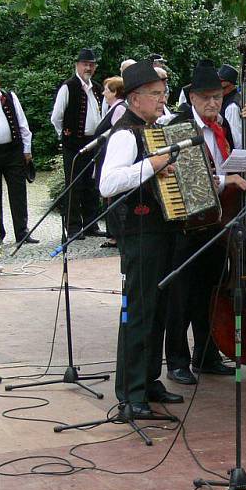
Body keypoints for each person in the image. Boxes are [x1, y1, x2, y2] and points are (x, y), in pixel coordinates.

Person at [99, 60, 184, 417]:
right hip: (139, 232)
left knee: (157, 311)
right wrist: (154, 164)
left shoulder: (151, 128)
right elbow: (109, 184)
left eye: (163, 92)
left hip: (161, 231)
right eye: (155, 94)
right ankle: (131, 394)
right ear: (135, 98)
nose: (162, 99)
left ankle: (148, 380)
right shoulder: (124, 134)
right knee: (138, 312)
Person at [163, 60, 246, 385]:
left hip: (217, 223)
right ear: (191, 98)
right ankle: (177, 359)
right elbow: (191, 180)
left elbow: (230, 159)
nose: (212, 103)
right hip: (186, 224)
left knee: (210, 291)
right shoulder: (179, 127)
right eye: (205, 98)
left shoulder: (222, 127)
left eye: (216, 97)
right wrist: (226, 179)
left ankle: (206, 353)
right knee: (181, 296)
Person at [51, 47, 108, 239]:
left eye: (91, 64)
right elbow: (56, 117)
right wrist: (66, 135)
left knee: (91, 184)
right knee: (74, 185)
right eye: (85, 64)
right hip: (73, 144)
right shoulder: (68, 87)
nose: (88, 68)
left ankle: (91, 224)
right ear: (77, 65)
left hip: (94, 142)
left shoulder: (98, 88)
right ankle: (73, 227)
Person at [0, 70, 36, 245]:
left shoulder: (10, 97)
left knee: (18, 193)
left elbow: (23, 124)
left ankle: (22, 232)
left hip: (13, 151)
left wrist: (27, 150)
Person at [93, 76, 127, 249]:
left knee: (112, 196)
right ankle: (113, 233)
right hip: (105, 157)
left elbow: (119, 133)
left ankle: (115, 234)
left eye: (106, 89)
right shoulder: (113, 107)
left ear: (114, 92)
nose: (103, 92)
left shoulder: (120, 109)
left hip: (111, 158)